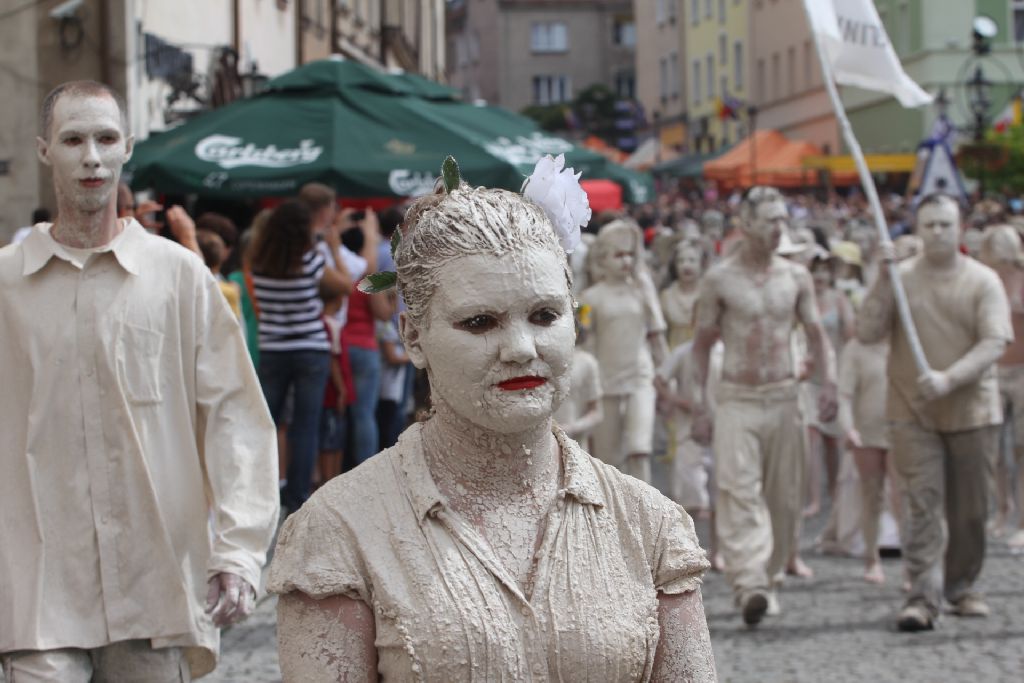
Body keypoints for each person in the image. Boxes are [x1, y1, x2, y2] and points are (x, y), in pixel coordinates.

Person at [268, 167, 716, 681]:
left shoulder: (649, 524)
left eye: (545, 316)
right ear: (413, 337)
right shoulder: (340, 531)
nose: (522, 348)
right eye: (480, 322)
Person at [0, 80, 279, 679]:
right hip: (36, 587)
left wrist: (237, 548)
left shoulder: (178, 277)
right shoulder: (6, 286)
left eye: (105, 138)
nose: (92, 157)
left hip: (154, 582)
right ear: (45, 149)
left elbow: (233, 414)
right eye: (73, 139)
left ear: (127, 146)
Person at [857, 193, 1012, 631]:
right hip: (912, 410)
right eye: (929, 225)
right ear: (917, 229)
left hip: (972, 412)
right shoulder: (901, 279)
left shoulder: (983, 281)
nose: (938, 232)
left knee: (970, 510)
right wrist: (882, 280)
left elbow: (994, 342)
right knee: (922, 503)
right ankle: (923, 595)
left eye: (945, 224)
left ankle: (962, 586)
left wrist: (950, 377)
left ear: (961, 227)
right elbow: (867, 332)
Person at [691, 186, 837, 626]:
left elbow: (816, 335)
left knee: (783, 497)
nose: (779, 229)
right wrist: (701, 403)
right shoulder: (719, 279)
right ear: (746, 224)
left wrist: (828, 383)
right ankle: (748, 581)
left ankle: (769, 581)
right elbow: (700, 347)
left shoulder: (796, 277)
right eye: (770, 220)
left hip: (785, 396)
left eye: (783, 220)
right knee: (738, 490)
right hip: (738, 397)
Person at [250, 199, 351, 513]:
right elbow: (347, 285)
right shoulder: (310, 260)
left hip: (273, 348)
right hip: (310, 348)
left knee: (267, 422)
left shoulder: (259, 261)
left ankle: (261, 493)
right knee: (305, 425)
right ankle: (296, 498)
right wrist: (333, 249)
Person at [580, 219, 670, 483]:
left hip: (641, 378)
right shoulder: (589, 298)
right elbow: (584, 344)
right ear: (603, 259)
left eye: (630, 254)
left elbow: (657, 337)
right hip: (606, 382)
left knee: (639, 449)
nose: (626, 261)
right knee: (609, 459)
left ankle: (648, 512)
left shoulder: (643, 292)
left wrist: (666, 376)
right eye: (618, 255)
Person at [979, 224, 1024, 546]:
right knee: (994, 450)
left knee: (1021, 450)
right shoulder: (986, 280)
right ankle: (1002, 510)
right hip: (994, 371)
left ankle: (1022, 519)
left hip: (1021, 371)